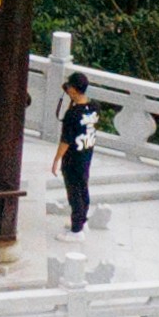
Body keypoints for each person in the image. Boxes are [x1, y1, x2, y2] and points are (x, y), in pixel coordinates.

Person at [57, 71, 106, 233]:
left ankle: (76, 229)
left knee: (74, 192)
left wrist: (56, 159)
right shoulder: (95, 106)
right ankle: (82, 220)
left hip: (72, 158)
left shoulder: (72, 114)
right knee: (83, 187)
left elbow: (65, 140)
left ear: (72, 89)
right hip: (86, 154)